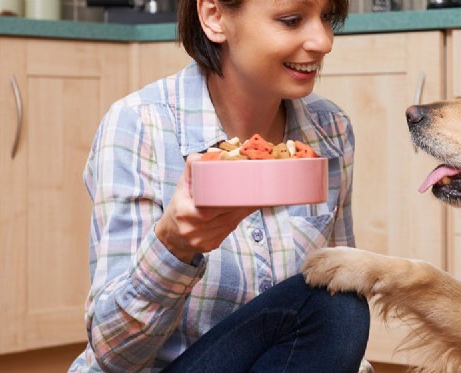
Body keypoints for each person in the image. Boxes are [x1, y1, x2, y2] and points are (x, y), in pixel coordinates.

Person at [69, 0, 371, 371]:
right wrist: (173, 249)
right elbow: (113, 355)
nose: (323, 41)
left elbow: (325, 332)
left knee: (340, 297)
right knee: (335, 305)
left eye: (328, 18)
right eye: (292, 20)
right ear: (214, 16)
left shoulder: (331, 131)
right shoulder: (140, 125)